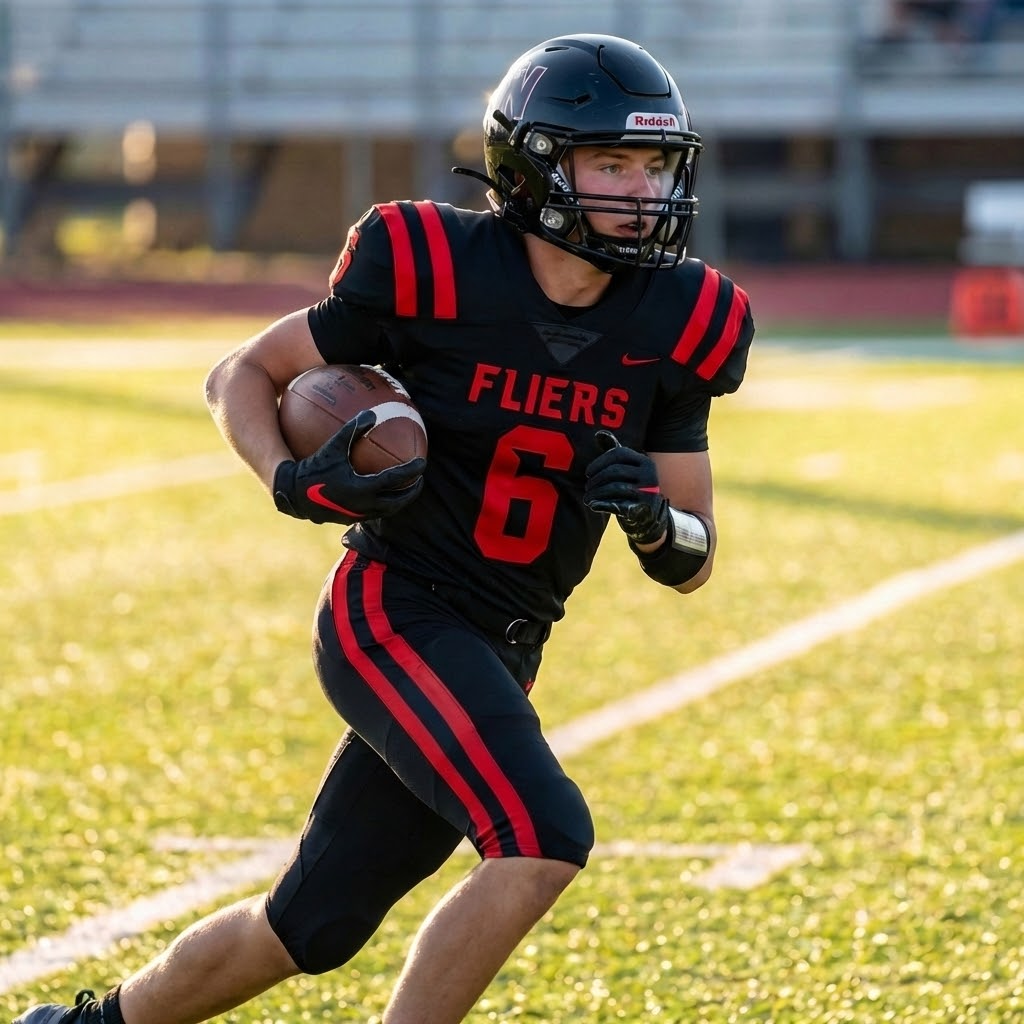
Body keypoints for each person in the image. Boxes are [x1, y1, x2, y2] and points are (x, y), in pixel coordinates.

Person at [14, 32, 753, 1024]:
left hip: (504, 643)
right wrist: (283, 475)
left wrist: (656, 523)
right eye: (610, 162)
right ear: (533, 168)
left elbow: (693, 554)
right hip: (394, 611)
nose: (641, 190)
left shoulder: (684, 316)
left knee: (310, 923)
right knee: (542, 835)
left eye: (654, 165)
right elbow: (241, 373)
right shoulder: (429, 263)